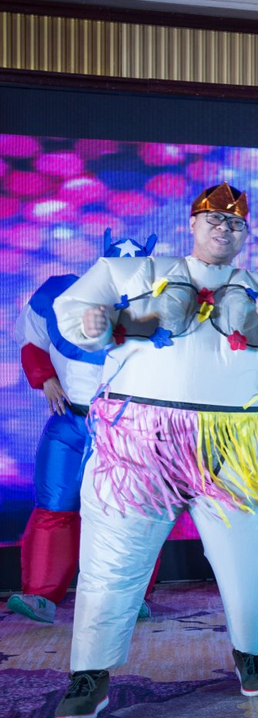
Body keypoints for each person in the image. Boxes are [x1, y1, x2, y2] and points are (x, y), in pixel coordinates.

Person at [50, 183, 258, 718]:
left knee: (254, 553)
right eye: (214, 219)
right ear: (192, 223)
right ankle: (90, 673)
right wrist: (92, 325)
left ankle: (252, 653)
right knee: (113, 555)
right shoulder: (128, 272)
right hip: (141, 439)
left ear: (247, 233)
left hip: (242, 443)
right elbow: (75, 312)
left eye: (235, 222)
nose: (224, 228)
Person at [8, 231, 162, 625]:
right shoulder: (62, 296)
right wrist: (45, 377)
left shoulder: (161, 305)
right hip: (69, 422)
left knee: (128, 512)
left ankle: (128, 596)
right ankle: (41, 595)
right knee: (54, 504)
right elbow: (32, 340)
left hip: (127, 430)